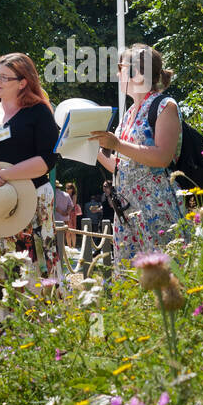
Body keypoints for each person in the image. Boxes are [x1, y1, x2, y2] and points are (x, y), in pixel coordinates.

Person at [0, 53, 60, 324]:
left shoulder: (38, 112)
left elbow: (47, 160)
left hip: (31, 205)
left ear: (23, 82)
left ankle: (38, 342)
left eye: (4, 77)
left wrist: (5, 175)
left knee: (31, 272)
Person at [91, 44, 188, 270]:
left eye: (120, 67)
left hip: (157, 208)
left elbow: (163, 157)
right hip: (127, 213)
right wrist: (87, 148)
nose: (117, 73)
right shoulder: (129, 114)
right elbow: (120, 166)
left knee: (166, 277)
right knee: (131, 282)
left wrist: (117, 144)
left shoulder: (165, 106)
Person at [65, 181, 82, 249]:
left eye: (68, 188)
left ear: (72, 189)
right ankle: (69, 246)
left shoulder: (74, 195)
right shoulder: (65, 195)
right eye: (66, 188)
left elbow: (73, 204)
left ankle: (73, 246)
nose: (67, 190)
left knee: (73, 231)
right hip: (66, 214)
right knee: (67, 231)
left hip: (72, 214)